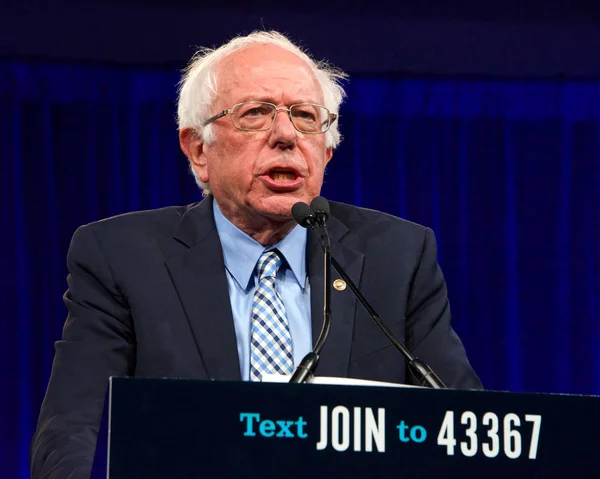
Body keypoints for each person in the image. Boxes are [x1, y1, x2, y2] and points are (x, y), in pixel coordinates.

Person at [30, 30, 482, 478]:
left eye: (305, 116)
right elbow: (71, 432)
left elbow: (468, 431)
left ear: (326, 149)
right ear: (198, 148)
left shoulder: (397, 256)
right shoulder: (121, 257)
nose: (286, 134)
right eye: (256, 113)